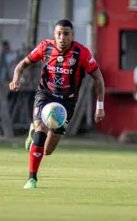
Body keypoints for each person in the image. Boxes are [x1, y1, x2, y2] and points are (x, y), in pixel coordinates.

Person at [9, 19, 105, 189]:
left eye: (66, 34)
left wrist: (99, 106)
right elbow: (22, 64)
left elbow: (98, 78)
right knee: (41, 132)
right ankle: (32, 178)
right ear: (54, 34)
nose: (62, 38)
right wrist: (16, 79)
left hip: (67, 102)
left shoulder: (81, 53)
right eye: (59, 34)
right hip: (45, 95)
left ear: (72, 35)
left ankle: (33, 138)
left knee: (47, 150)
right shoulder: (45, 47)